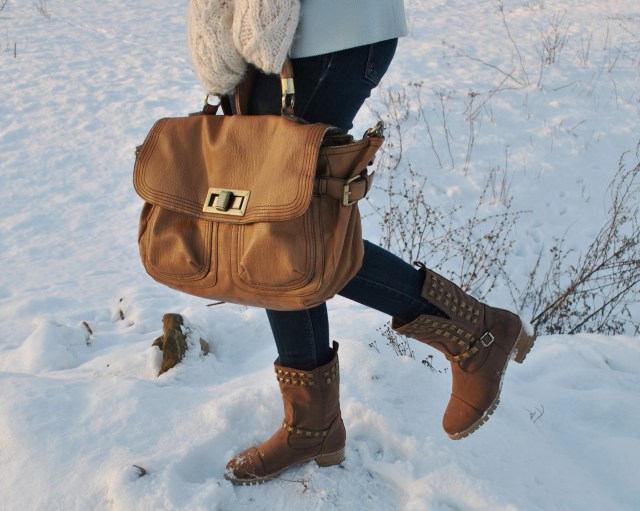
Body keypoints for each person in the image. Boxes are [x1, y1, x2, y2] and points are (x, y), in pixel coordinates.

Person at [187, 0, 536, 485]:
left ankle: (473, 331)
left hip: (315, 30)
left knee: (278, 232)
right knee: (280, 229)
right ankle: (314, 426)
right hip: (294, 34)